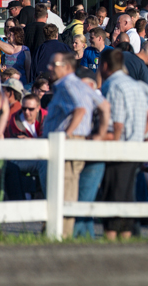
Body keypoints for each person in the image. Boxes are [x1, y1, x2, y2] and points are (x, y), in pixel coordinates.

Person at [98, 49, 148, 240]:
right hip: (136, 148)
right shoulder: (138, 85)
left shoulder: (112, 86)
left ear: (105, 66)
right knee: (127, 195)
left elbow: (118, 123)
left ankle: (113, 240)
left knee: (114, 198)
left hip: (119, 149)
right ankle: (129, 239)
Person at [41, 52, 111, 238]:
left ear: (66, 67)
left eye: (53, 64)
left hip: (67, 142)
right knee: (67, 189)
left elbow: (79, 109)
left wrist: (65, 135)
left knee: (63, 190)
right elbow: (104, 107)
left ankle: (61, 235)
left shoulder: (66, 85)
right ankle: (60, 233)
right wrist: (99, 134)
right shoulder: (80, 84)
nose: (49, 67)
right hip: (75, 141)